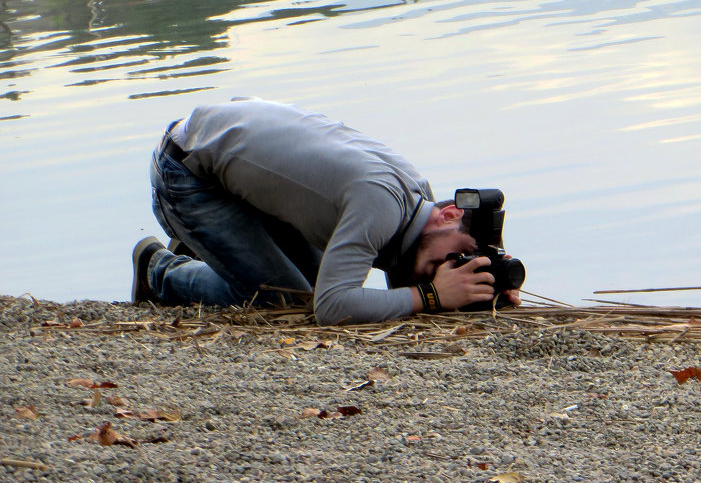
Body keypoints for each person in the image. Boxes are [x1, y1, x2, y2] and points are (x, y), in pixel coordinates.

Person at [132, 97, 521, 324]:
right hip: (185, 173)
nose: (454, 265)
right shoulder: (380, 202)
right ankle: (159, 270)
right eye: (460, 254)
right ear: (450, 214)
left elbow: (399, 284)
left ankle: (217, 247)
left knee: (316, 279)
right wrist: (432, 296)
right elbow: (332, 308)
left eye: (466, 262)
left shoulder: (415, 193)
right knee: (286, 299)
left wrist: (483, 295)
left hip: (226, 158)